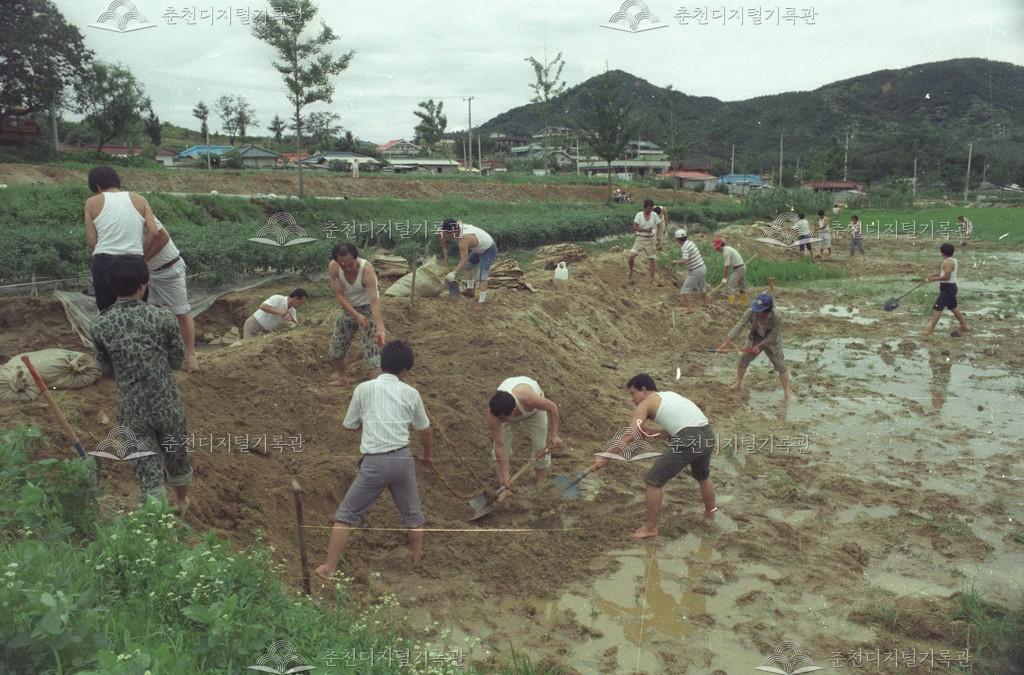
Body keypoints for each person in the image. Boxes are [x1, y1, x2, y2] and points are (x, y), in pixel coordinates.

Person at [315, 340, 434, 579]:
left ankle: (329, 568)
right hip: (402, 458)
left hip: (375, 462)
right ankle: (417, 557)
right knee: (413, 514)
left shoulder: (364, 389)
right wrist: (427, 455)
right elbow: (425, 429)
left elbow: (349, 425)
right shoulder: (411, 393)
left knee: (346, 516)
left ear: (381, 363)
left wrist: (371, 426)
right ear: (405, 371)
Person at [91, 255, 192, 511]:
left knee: (146, 465)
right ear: (143, 284)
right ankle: (181, 501)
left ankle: (158, 521)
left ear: (111, 286)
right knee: (176, 451)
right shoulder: (163, 318)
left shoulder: (100, 324)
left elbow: (104, 367)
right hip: (166, 401)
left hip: (132, 407)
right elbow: (178, 360)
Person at [589, 374, 716, 540]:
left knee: (653, 481)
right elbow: (677, 430)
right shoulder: (670, 395)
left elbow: (629, 435)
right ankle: (710, 513)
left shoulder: (646, 403)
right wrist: (650, 434)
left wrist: (605, 457)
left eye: (633, 394)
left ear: (643, 390)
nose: (633, 400)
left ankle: (650, 528)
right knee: (702, 476)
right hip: (707, 435)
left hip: (689, 438)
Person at [84, 166, 167, 311]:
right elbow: (154, 232)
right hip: (134, 261)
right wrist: (142, 255)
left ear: (96, 186)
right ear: (116, 182)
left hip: (105, 261)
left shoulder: (91, 203)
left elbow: (92, 241)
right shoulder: (140, 199)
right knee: (139, 310)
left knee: (106, 311)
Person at [486, 376, 563, 491]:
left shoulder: (529, 399)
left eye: (502, 418)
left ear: (513, 411)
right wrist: (506, 476)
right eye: (499, 418)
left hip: (535, 413)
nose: (500, 421)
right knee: (499, 450)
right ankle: (503, 484)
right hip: (508, 410)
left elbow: (553, 408)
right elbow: (500, 446)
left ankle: (541, 481)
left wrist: (554, 435)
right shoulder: (494, 414)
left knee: (540, 448)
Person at [328, 243, 386, 387]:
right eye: (343, 265)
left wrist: (380, 329)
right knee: (336, 349)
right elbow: (339, 295)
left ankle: (377, 386)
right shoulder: (334, 267)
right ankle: (342, 379)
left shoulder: (366, 269)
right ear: (336, 262)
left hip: (368, 308)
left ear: (356, 257)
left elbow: (374, 301)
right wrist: (355, 315)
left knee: (372, 351)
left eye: (350, 263)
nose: (347, 267)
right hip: (349, 309)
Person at [144, 218, 198, 372]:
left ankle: (190, 355)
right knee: (149, 312)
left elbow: (162, 237)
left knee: (181, 311)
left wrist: (143, 259)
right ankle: (155, 355)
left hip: (169, 270)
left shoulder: (140, 210)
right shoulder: (118, 219)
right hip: (147, 272)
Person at [718, 292, 791, 402]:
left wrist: (759, 346)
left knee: (781, 366)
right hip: (755, 337)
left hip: (772, 342)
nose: (756, 312)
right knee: (743, 359)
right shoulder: (751, 311)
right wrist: (727, 341)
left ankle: (786, 391)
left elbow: (773, 336)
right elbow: (740, 324)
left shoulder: (776, 316)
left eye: (759, 310)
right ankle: (738, 383)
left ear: (767, 311)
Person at [439, 218, 498, 306]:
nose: (446, 236)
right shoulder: (457, 225)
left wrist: (454, 273)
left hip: (488, 249)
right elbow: (440, 234)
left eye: (447, 233)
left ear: (452, 232)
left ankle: (481, 302)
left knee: (482, 276)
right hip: (478, 248)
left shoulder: (464, 240)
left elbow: (464, 259)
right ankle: (470, 290)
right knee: (468, 265)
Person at [923, 242, 970, 336]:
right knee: (953, 308)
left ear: (942, 252)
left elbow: (946, 277)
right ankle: (964, 326)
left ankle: (930, 330)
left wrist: (933, 279)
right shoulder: (952, 260)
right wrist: (934, 275)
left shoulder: (948, 263)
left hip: (947, 289)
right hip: (950, 288)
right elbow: (945, 275)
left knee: (937, 309)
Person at [243, 288, 308, 339]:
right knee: (249, 348)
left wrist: (297, 324)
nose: (301, 305)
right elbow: (263, 306)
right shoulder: (278, 298)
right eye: (301, 302)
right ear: (296, 298)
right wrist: (281, 312)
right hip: (254, 325)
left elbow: (294, 324)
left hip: (265, 331)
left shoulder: (292, 310)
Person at [671, 229, 708, 313]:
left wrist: (675, 262)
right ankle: (705, 303)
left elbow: (684, 260)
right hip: (702, 267)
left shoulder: (685, 247)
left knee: (684, 290)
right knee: (702, 287)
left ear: (678, 239)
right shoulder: (691, 243)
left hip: (696, 270)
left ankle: (689, 309)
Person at [627, 199, 662, 284]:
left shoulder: (654, 215)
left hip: (650, 239)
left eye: (651, 208)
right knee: (631, 255)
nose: (650, 210)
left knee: (652, 260)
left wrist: (658, 237)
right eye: (649, 208)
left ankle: (652, 279)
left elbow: (659, 225)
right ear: (645, 207)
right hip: (640, 238)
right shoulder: (639, 215)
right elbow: (634, 227)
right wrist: (645, 230)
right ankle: (631, 271)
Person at [712, 236, 746, 305]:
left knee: (729, 285)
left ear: (721, 245)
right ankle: (744, 303)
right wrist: (726, 277)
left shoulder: (726, 252)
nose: (716, 249)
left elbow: (726, 267)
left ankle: (731, 304)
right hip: (740, 267)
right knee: (742, 286)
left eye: (717, 247)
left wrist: (725, 278)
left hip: (739, 268)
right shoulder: (727, 249)